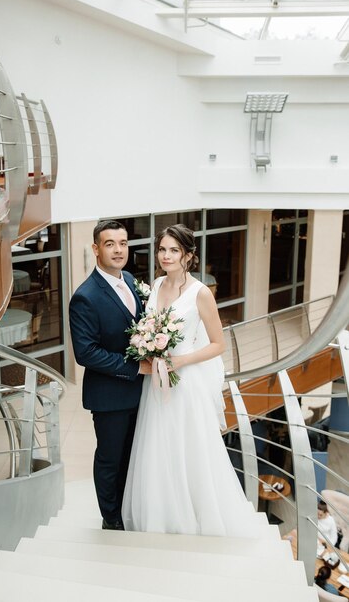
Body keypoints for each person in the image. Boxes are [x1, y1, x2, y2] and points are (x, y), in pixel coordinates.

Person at [122, 224, 258, 536]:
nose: (166, 256)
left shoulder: (201, 293)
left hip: (186, 384)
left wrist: (181, 359)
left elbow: (218, 344)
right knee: (158, 446)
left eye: (173, 250)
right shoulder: (156, 285)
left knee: (189, 450)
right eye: (162, 249)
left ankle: (197, 514)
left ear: (188, 256)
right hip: (156, 383)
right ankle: (163, 514)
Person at [69, 220, 151, 531]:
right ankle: (112, 519)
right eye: (110, 244)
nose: (118, 250)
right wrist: (135, 368)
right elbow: (85, 353)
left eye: (123, 243)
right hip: (110, 397)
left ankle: (127, 507)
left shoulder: (129, 279)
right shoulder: (85, 297)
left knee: (132, 455)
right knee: (110, 459)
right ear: (95, 249)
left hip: (140, 391)